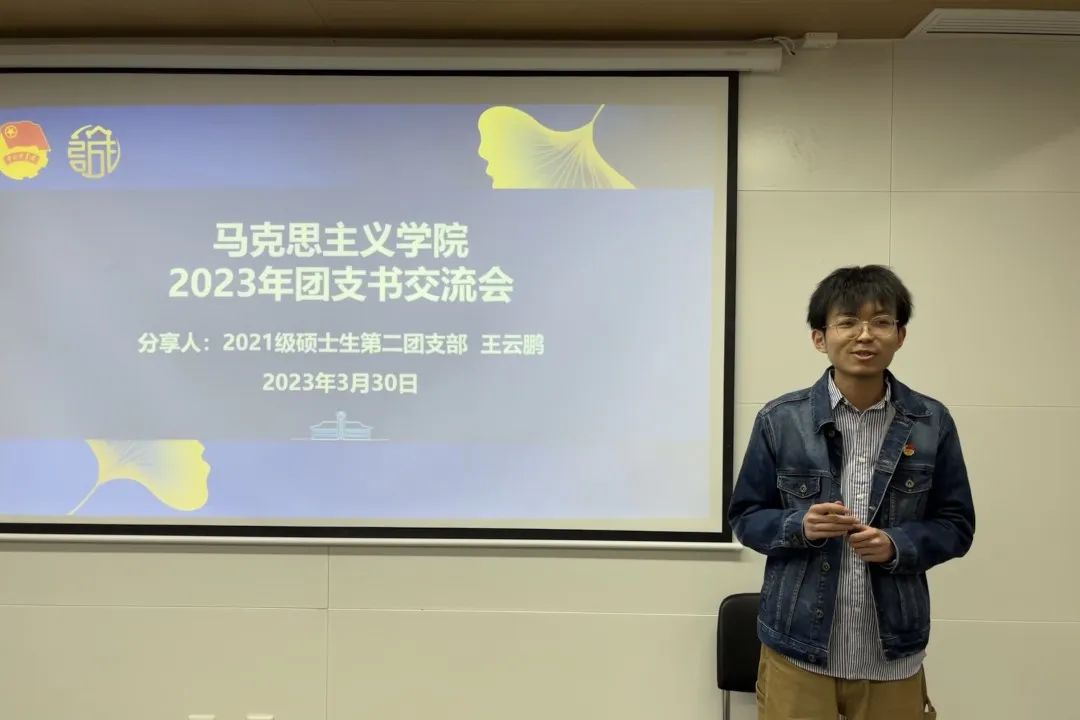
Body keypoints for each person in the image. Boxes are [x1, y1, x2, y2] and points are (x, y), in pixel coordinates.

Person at [728, 265, 975, 720]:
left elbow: (957, 525)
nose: (865, 335)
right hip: (797, 651)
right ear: (819, 338)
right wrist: (799, 526)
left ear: (900, 335)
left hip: (892, 654)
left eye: (881, 322)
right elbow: (745, 517)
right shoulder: (780, 420)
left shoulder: (931, 422)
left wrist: (897, 545)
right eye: (847, 322)